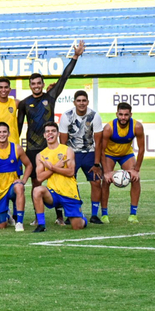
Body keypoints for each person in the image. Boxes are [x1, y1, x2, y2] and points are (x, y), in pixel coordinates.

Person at [18, 40, 85, 225]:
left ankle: (59, 216)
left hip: (52, 147)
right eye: (33, 84)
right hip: (33, 148)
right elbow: (18, 126)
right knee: (36, 182)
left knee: (58, 177)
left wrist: (75, 56)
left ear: (43, 84)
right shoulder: (24, 103)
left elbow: (64, 77)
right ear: (30, 85)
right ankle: (37, 216)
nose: (36, 86)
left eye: (39, 83)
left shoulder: (51, 96)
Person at [59, 90, 104, 224]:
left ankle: (94, 215)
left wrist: (96, 164)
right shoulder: (67, 116)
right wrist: (65, 160)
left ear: (88, 102)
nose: (81, 103)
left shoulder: (94, 116)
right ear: (74, 102)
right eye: (79, 101)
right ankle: (73, 214)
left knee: (96, 182)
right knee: (70, 183)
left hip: (89, 152)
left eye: (84, 100)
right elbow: (63, 142)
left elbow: (98, 142)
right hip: (72, 153)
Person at [32, 122, 86, 232]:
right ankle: (41, 225)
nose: (50, 133)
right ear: (44, 135)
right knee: (37, 190)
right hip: (53, 193)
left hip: (69, 192)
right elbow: (40, 178)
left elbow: (71, 172)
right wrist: (56, 167)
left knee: (77, 226)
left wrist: (52, 167)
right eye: (47, 131)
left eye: (53, 131)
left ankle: (82, 218)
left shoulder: (67, 150)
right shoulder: (41, 155)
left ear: (58, 134)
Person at [0, 122, 32, 231]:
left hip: (12, 186)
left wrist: (23, 180)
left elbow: (29, 165)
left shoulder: (17, 148)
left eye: (4, 132)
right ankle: (7, 215)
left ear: (9, 133)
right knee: (1, 226)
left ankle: (19, 222)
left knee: (19, 187)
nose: (2, 134)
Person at [101, 102, 145, 223]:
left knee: (136, 178)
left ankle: (133, 214)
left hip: (126, 154)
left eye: (126, 115)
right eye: (121, 114)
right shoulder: (109, 128)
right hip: (109, 154)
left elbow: (141, 149)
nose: (123, 117)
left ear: (131, 114)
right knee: (106, 180)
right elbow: (101, 150)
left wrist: (136, 170)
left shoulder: (137, 126)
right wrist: (106, 172)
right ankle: (104, 214)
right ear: (117, 114)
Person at [0, 78, 19, 145]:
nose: (3, 90)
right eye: (1, 87)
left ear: (10, 89)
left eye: (6, 87)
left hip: (13, 142)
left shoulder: (16, 103)